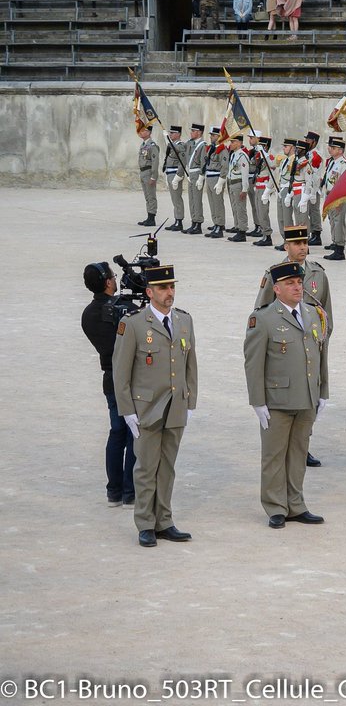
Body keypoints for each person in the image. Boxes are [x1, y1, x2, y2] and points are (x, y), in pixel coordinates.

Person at [112, 264, 197, 547]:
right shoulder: (134, 324)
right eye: (162, 288)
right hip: (146, 409)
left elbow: (190, 364)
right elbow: (121, 371)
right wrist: (126, 411)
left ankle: (165, 520)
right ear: (149, 292)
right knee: (146, 468)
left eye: (171, 286)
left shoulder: (184, 321)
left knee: (168, 467)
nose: (169, 292)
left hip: (175, 406)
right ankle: (145, 523)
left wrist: (190, 400)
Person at [244, 261, 328, 529]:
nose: (297, 287)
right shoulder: (264, 318)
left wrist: (322, 390)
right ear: (276, 289)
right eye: (290, 283)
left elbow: (321, 354)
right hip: (277, 400)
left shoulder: (314, 314)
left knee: (298, 452)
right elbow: (253, 362)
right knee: (274, 455)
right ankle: (275, 506)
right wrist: (257, 401)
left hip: (306, 396)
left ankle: (296, 503)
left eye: (299, 282)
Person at [253, 225, 332, 467]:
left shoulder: (318, 273)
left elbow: (326, 312)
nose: (303, 248)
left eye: (305, 243)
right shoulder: (275, 274)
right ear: (286, 246)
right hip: (284, 346)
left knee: (309, 395)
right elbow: (260, 310)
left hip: (311, 345)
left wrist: (322, 340)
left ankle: (303, 446)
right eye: (297, 244)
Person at [81, 262, 136, 506]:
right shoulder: (122, 309)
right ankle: (130, 491)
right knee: (135, 434)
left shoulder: (88, 314)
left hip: (109, 378)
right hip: (130, 379)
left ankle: (113, 491)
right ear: (107, 282)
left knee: (116, 432)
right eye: (114, 276)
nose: (117, 279)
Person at [135, 124, 159, 227]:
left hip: (149, 172)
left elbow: (155, 162)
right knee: (147, 196)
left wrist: (154, 176)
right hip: (143, 172)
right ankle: (148, 217)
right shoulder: (144, 145)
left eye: (144, 131)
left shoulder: (152, 146)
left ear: (149, 132)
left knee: (151, 196)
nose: (141, 132)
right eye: (141, 131)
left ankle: (152, 218)